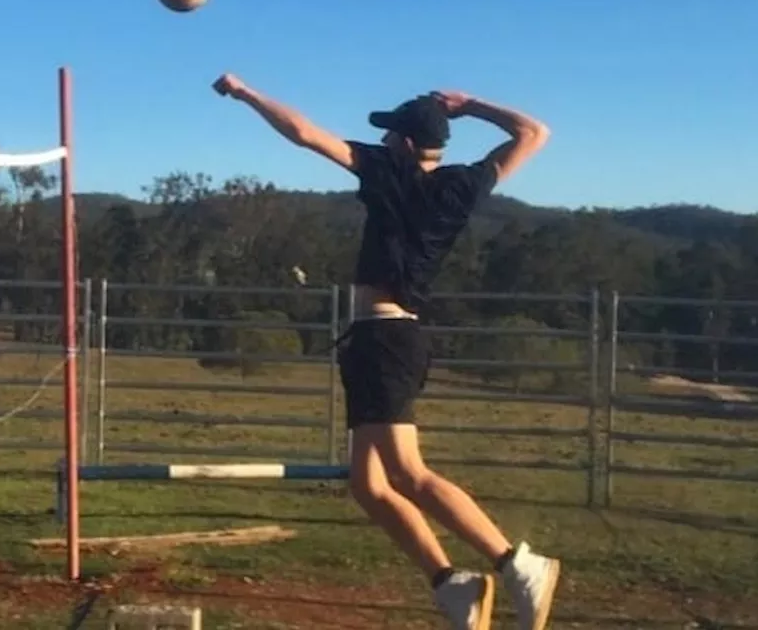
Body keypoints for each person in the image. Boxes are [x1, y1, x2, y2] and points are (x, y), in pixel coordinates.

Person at [212, 72, 560, 630]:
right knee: (368, 485)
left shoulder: (385, 172)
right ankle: (454, 586)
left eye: (390, 133)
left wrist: (247, 93)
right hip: (386, 338)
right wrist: (470, 105)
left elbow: (302, 132)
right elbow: (533, 132)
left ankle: (519, 565)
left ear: (400, 143)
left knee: (408, 474)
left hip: (386, 341)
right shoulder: (462, 185)